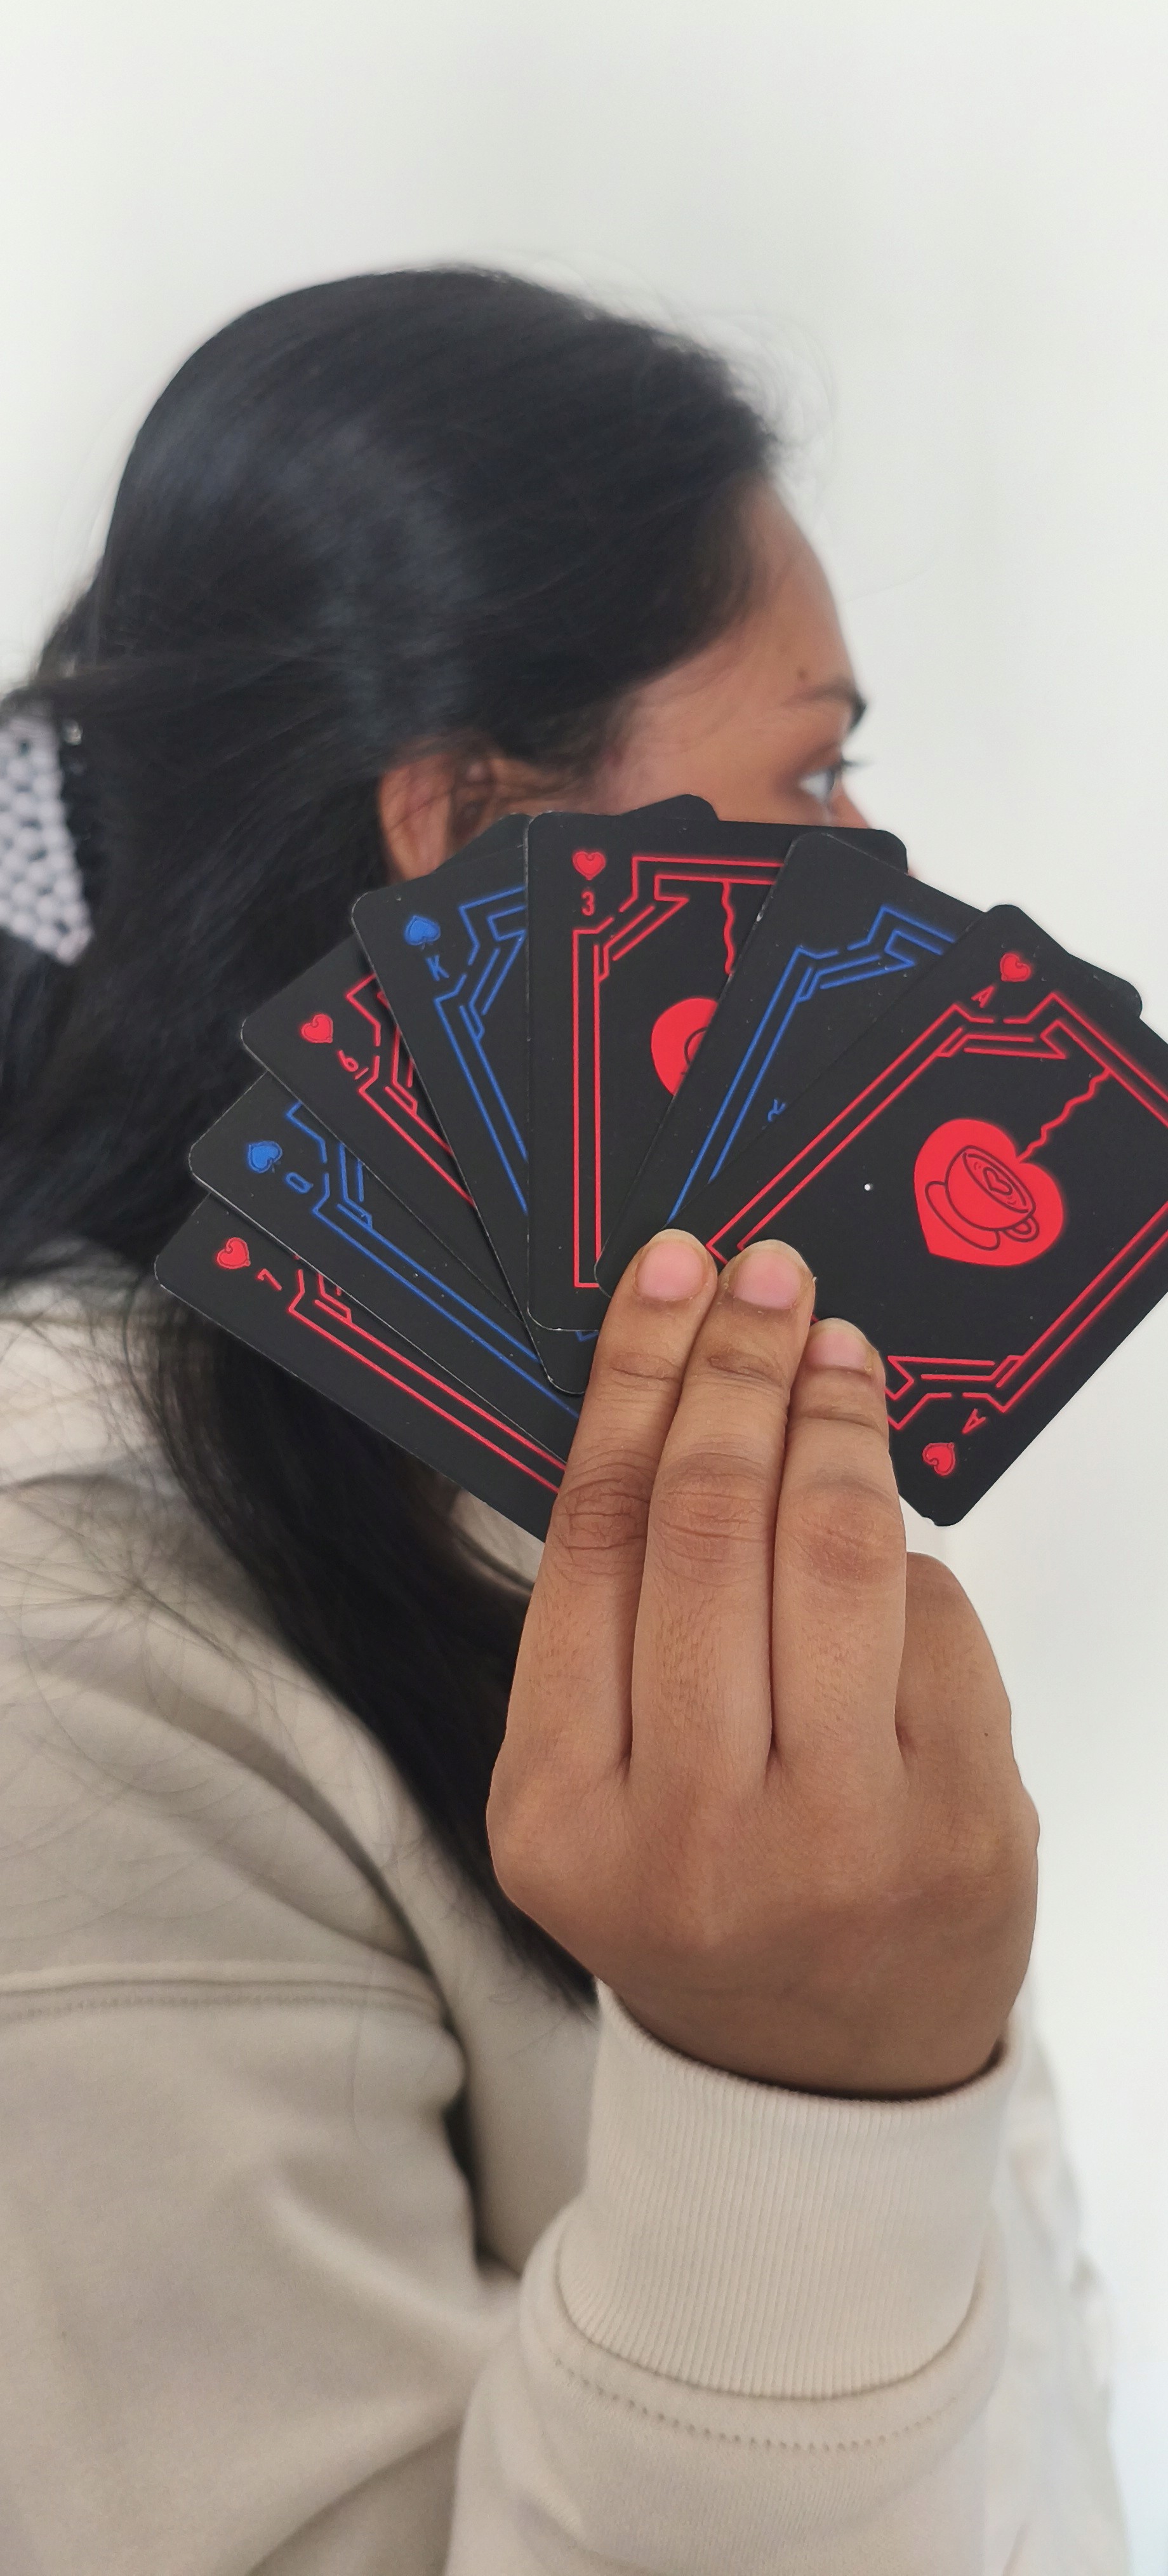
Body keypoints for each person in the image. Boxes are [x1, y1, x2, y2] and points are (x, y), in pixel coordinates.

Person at [0, 268, 1127, 2575]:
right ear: (480, 836)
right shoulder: (63, 1677)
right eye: (812, 764)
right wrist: (813, 2085)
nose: (882, 876)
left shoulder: (549, 1461)